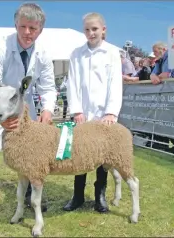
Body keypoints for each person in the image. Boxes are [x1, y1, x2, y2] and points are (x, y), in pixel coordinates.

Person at [0, 3, 57, 211]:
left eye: (33, 28)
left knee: (30, 149)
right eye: (23, 27)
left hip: (24, 107)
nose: (27, 33)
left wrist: (47, 110)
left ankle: (32, 193)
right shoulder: (0, 48)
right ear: (15, 24)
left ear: (40, 29)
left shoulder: (44, 54)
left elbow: (48, 87)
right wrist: (0, 114)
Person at [63, 12, 122, 213]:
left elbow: (115, 84)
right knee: (79, 154)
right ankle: (77, 195)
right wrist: (76, 110)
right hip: (83, 115)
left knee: (101, 156)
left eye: (95, 29)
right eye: (87, 29)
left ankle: (100, 196)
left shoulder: (112, 53)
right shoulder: (76, 54)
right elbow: (72, 83)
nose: (91, 33)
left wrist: (111, 112)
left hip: (104, 115)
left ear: (103, 30)